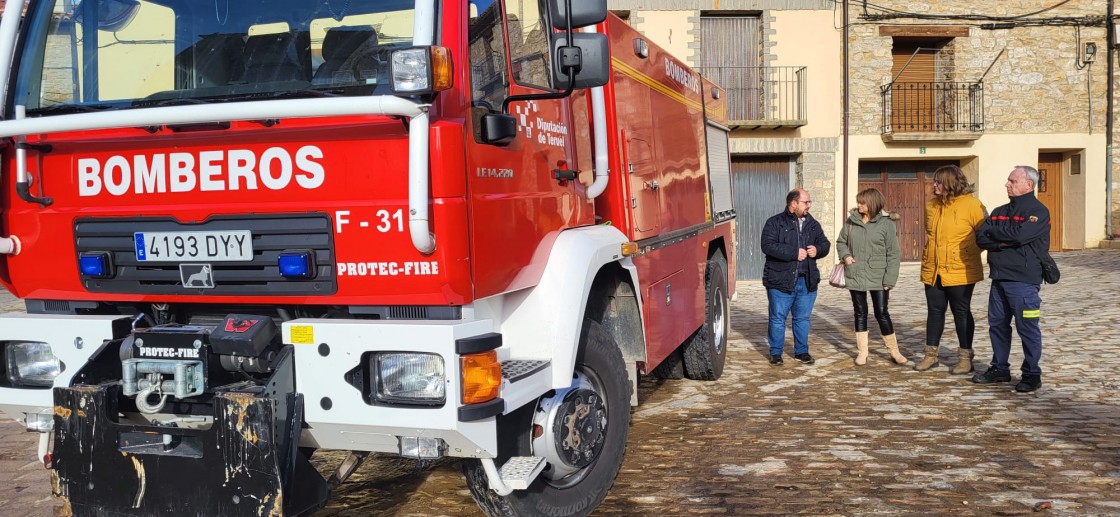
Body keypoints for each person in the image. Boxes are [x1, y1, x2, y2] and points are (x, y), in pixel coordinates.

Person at [972, 165, 1051, 393]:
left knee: (1027, 327)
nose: (1007, 184)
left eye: (1012, 181)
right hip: (999, 279)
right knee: (997, 325)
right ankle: (999, 368)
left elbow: (1021, 235)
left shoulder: (1038, 211)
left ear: (1028, 185)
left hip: (1024, 282)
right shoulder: (999, 211)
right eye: (1008, 180)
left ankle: (1031, 374)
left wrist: (997, 234)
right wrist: (1002, 241)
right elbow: (980, 237)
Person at [914, 165, 987, 374]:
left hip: (961, 268)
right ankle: (930, 355)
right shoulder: (931, 206)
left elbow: (985, 235)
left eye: (938, 181)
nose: (934, 185)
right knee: (934, 311)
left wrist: (966, 252)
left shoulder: (973, 205)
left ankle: (965, 358)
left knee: (961, 312)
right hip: (933, 268)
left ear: (951, 183)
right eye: (934, 181)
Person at [835, 188, 907, 366]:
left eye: (862, 202)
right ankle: (863, 352)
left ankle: (894, 351)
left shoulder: (886, 224)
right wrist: (846, 256)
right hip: (856, 272)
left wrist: (890, 280)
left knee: (882, 312)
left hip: (879, 275)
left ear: (872, 204)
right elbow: (841, 242)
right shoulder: (851, 221)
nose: (858, 205)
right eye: (858, 201)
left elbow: (893, 253)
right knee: (860, 313)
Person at [761, 188, 831, 366]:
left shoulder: (812, 223)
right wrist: (793, 253)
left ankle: (801, 351)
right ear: (793, 203)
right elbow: (767, 246)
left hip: (806, 281)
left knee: (802, 319)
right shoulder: (775, 222)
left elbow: (825, 243)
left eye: (809, 202)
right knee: (777, 319)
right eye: (805, 202)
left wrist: (818, 250)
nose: (809, 205)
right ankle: (776, 353)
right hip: (780, 281)